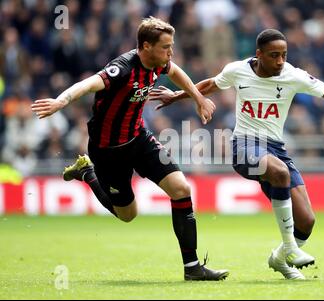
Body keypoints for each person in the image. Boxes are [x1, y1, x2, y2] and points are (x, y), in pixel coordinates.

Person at [149, 29, 324, 280]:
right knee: (279, 171)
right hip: (244, 146)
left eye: (284, 55)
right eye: (274, 55)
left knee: (307, 222)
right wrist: (176, 95)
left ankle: (279, 258)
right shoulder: (238, 70)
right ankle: (290, 248)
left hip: (275, 148)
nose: (280, 61)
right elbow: (210, 84)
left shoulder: (292, 75)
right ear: (259, 54)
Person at [30, 17, 228, 281]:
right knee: (128, 215)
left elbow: (176, 71)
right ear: (146, 46)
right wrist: (61, 100)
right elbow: (88, 84)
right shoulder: (122, 69)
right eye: (166, 47)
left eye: (172, 46)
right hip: (108, 150)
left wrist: (199, 98)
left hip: (139, 138)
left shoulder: (160, 62)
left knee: (181, 189)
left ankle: (192, 268)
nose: (171, 53)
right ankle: (89, 173)